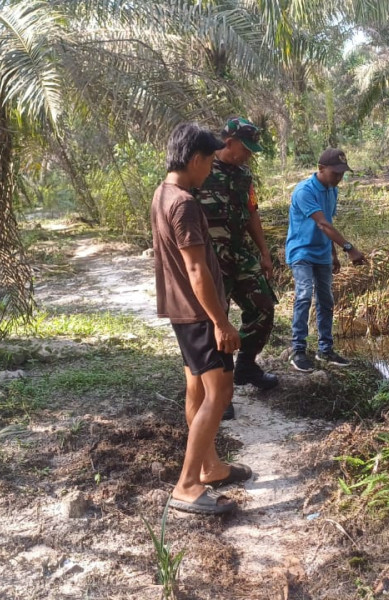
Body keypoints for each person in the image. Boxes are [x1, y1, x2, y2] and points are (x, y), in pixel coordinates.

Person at [151, 122, 252, 515]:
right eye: (210, 160)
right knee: (220, 393)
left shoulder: (163, 194)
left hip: (181, 311)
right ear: (195, 159)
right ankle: (188, 484)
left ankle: (210, 466)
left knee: (197, 389)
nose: (212, 168)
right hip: (199, 315)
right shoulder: (185, 204)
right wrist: (221, 323)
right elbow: (196, 271)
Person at [196, 117, 279, 418]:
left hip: (240, 252)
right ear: (228, 142)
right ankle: (220, 390)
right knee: (217, 322)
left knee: (263, 306)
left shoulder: (244, 175)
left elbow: (251, 213)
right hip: (210, 258)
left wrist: (264, 253)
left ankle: (246, 366)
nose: (249, 155)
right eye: (246, 148)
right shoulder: (201, 170)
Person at [285, 148, 367, 373]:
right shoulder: (304, 191)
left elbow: (327, 223)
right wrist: (349, 249)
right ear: (321, 169)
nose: (339, 178)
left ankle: (325, 350)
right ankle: (298, 350)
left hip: (321, 253)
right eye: (335, 173)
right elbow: (322, 224)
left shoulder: (332, 191)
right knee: (304, 295)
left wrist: (332, 254)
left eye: (342, 173)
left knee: (326, 300)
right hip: (301, 251)